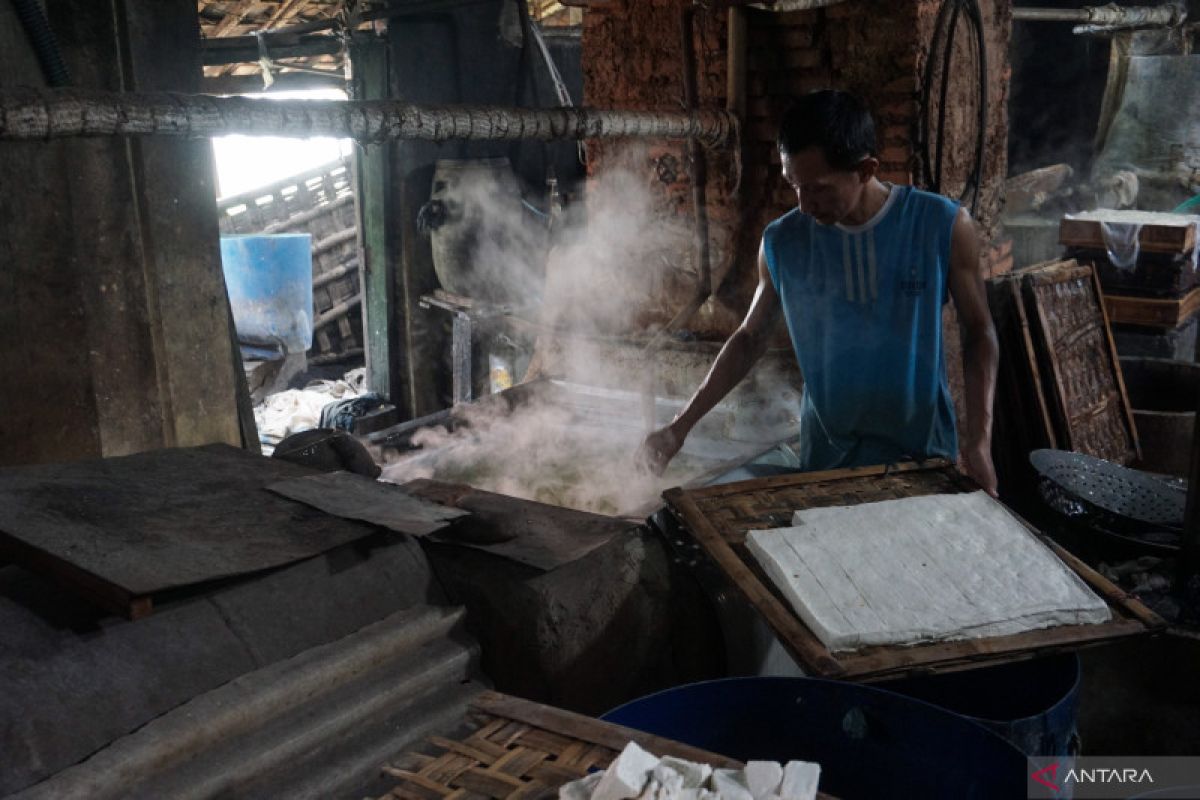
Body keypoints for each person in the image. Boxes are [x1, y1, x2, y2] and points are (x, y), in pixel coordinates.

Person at [639, 90, 999, 496]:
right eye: (794, 186)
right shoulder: (783, 242)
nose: (805, 205)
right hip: (826, 462)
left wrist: (979, 442)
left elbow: (979, 332)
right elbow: (749, 339)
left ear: (866, 169)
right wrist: (679, 428)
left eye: (818, 189)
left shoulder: (940, 225)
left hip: (922, 457)